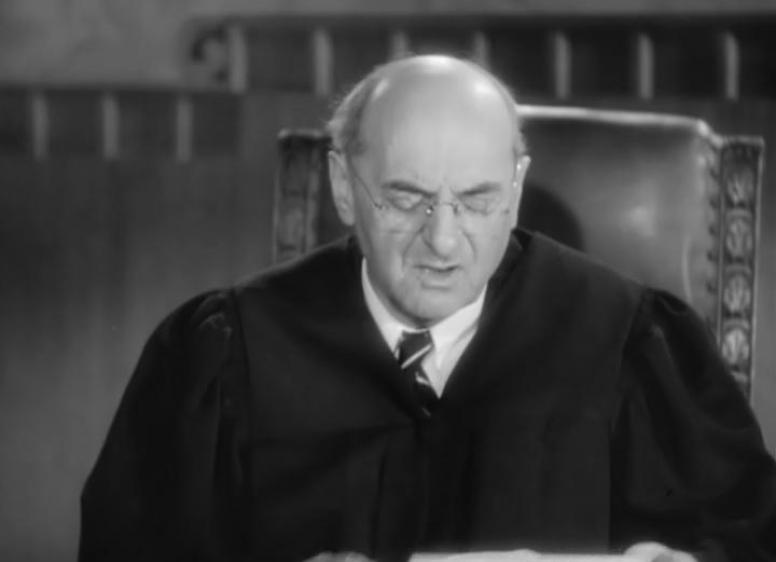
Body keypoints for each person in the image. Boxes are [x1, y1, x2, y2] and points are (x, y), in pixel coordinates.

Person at [79, 55, 776, 562]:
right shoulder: (227, 350)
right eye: (407, 199)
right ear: (343, 187)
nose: (443, 241)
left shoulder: (626, 340)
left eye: (476, 200)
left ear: (516, 189)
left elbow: (742, 538)